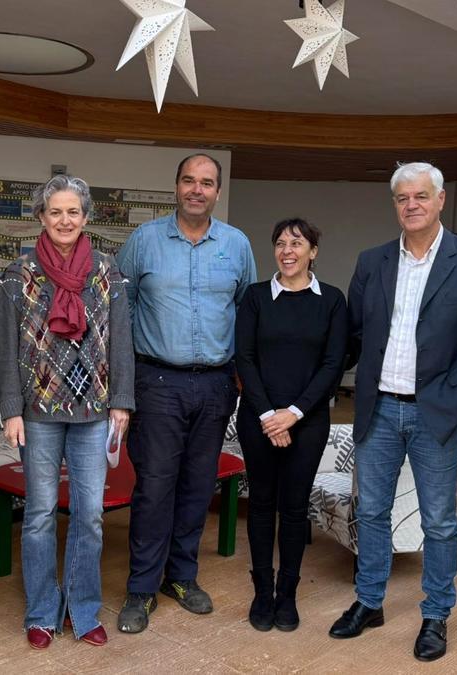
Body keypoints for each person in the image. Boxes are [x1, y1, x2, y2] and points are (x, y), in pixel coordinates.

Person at [330, 161, 457, 662]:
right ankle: (369, 602)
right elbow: (355, 334)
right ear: (395, 204)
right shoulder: (373, 261)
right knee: (371, 511)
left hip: (437, 413)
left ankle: (436, 613)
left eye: (421, 196)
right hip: (379, 409)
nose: (412, 205)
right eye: (403, 198)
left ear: (440, 199)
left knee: (439, 521)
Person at [115, 153, 256, 633]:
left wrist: (241, 375)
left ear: (217, 191)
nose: (197, 189)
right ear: (176, 186)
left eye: (207, 182)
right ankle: (141, 588)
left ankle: (181, 576)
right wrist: (124, 384)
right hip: (157, 382)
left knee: (198, 486)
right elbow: (121, 309)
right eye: (189, 181)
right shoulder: (144, 241)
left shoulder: (236, 244)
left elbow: (247, 311)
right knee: (155, 488)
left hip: (216, 384)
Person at [0, 174, 135, 650]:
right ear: (41, 216)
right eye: (55, 211)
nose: (65, 220)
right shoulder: (19, 272)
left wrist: (122, 402)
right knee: (38, 515)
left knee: (89, 515)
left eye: (73, 211)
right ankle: (40, 612)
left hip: (94, 413)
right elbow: (4, 346)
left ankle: (82, 608)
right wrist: (11, 409)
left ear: (86, 217)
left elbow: (122, 340)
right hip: (36, 414)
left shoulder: (107, 270)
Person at [234, 218, 347, 632]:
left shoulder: (331, 300)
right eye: (280, 243)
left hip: (308, 421)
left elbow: (333, 364)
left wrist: (294, 413)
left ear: (313, 252)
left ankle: (288, 594)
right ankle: (262, 591)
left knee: (295, 508)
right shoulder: (255, 297)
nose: (287, 250)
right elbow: (244, 358)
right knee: (262, 504)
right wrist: (270, 416)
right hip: (258, 419)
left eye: (297, 243)